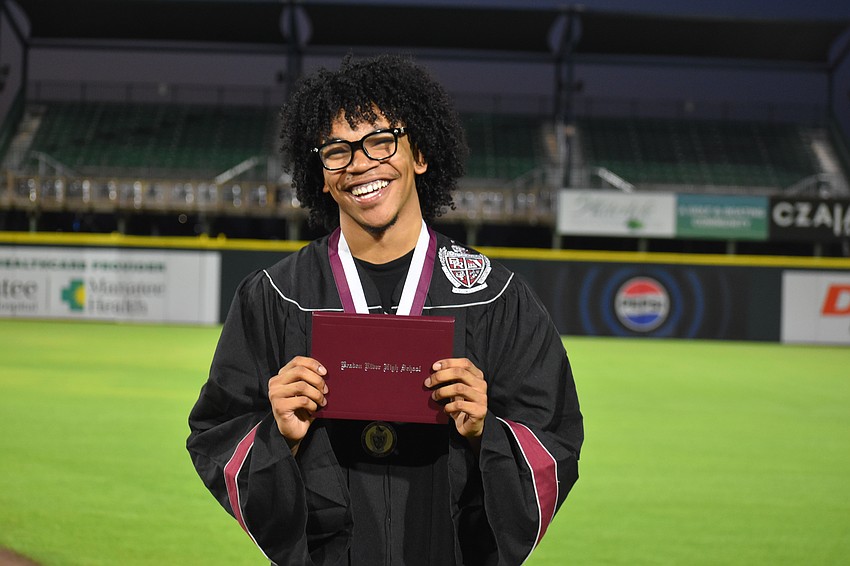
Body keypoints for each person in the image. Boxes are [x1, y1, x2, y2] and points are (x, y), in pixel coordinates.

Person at [187, 54, 583, 566]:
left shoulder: (493, 296)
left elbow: (554, 439)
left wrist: (488, 430)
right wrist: (276, 434)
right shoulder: (275, 296)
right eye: (337, 150)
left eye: (380, 141)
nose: (360, 164)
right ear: (321, 175)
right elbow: (217, 434)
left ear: (419, 153)